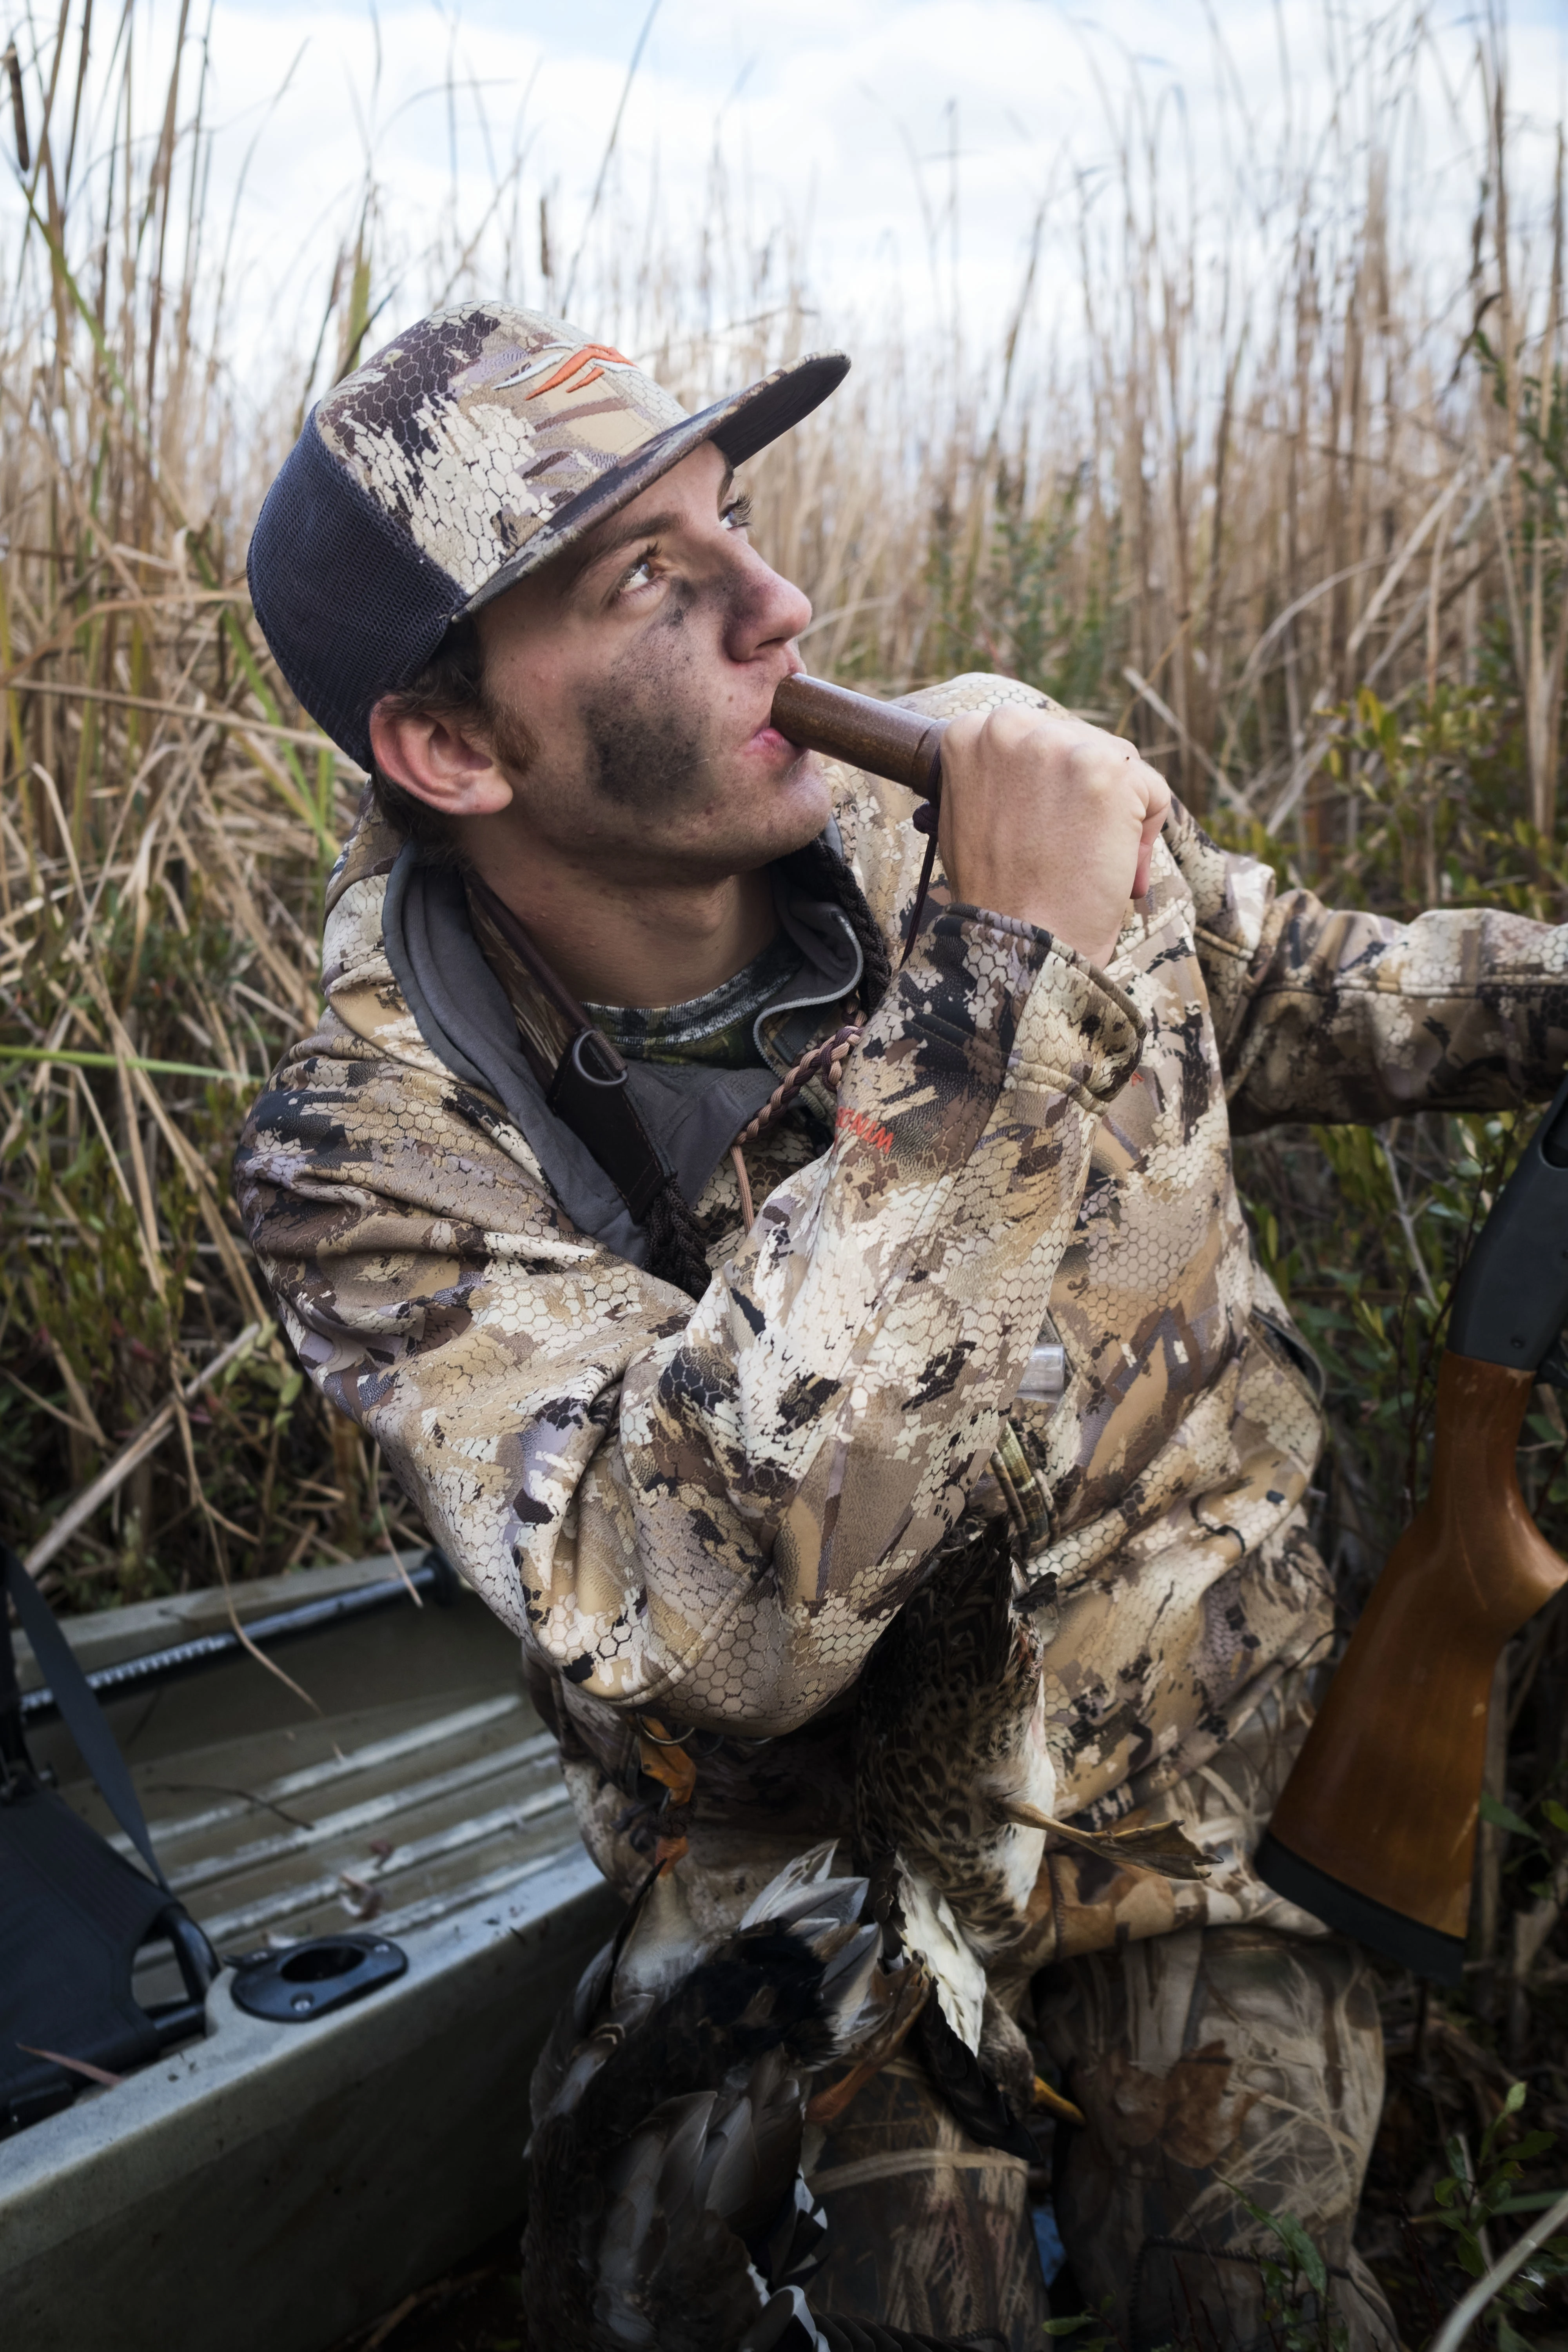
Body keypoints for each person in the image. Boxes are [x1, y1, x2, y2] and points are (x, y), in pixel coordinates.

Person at [235, 302, 1567, 2352]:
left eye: (739, 521)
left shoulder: (941, 798)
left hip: (1214, 1790)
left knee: (1257, 2300)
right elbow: (715, 1620)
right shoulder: (376, 1160)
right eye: (655, 581)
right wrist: (994, 983)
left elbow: (1314, 985)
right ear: (454, 746)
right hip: (825, 1875)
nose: (783, 606)